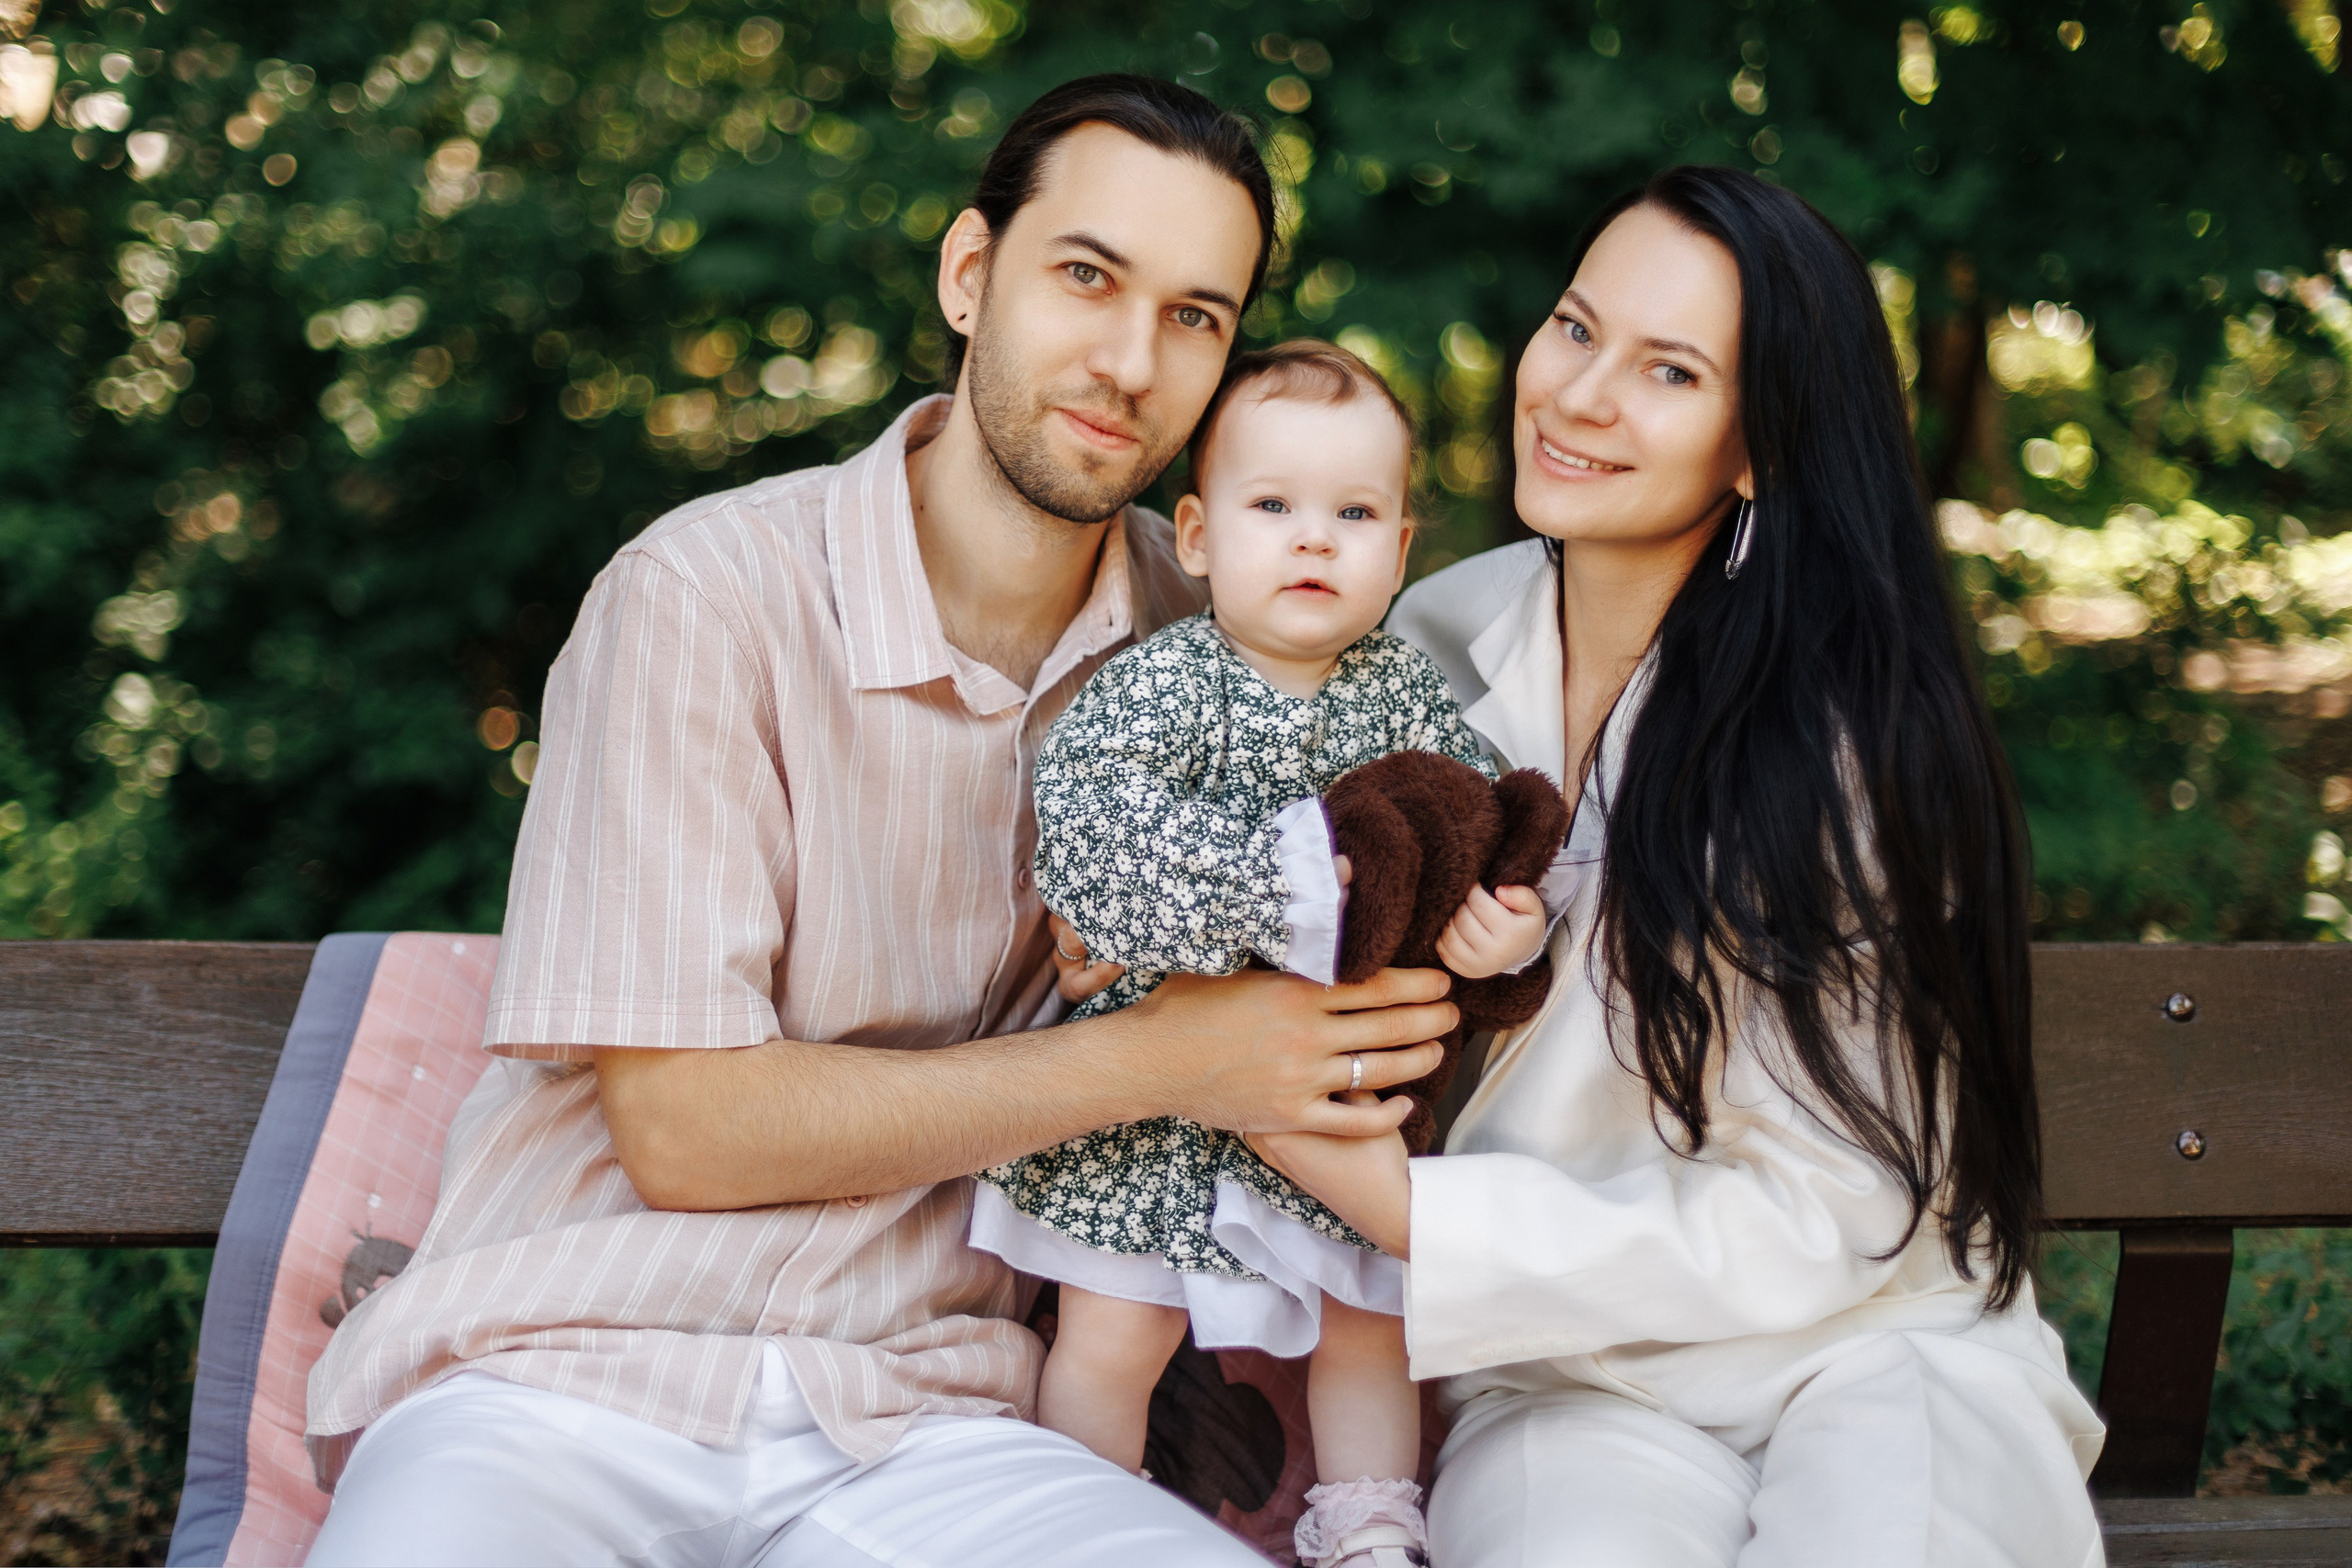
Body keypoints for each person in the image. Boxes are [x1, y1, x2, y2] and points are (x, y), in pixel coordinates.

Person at [300, 75, 1459, 1568]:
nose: (1128, 360)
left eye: (1195, 316)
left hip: (930, 1429)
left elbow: (1405, 872)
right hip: (560, 1383)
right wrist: (1165, 1057)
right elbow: (690, 1130)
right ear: (971, 276)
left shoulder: (1226, 663)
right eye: (1088, 277)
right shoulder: (706, 598)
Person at [1248, 166, 2109, 1567]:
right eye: (1576, 329)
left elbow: (1844, 1206)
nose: (1582, 394)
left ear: (1759, 443)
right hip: (1576, 1379)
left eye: (1669, 371)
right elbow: (1279, 869)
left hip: (1879, 1352)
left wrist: (1416, 1216)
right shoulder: (1432, 646)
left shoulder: (1855, 738)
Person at [969, 339, 1549, 1568]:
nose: (1311, 540)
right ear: (1195, 534)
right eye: (1272, 506)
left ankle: (1372, 1522)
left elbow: (1474, 817)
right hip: (1152, 1095)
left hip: (1334, 1098)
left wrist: (1500, 914)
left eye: (1352, 515)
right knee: (1114, 1331)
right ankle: (1082, 1515)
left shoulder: (1400, 691)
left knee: (1364, 1324)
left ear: (1398, 553)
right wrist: (1281, 887)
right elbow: (1094, 832)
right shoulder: (1165, 685)